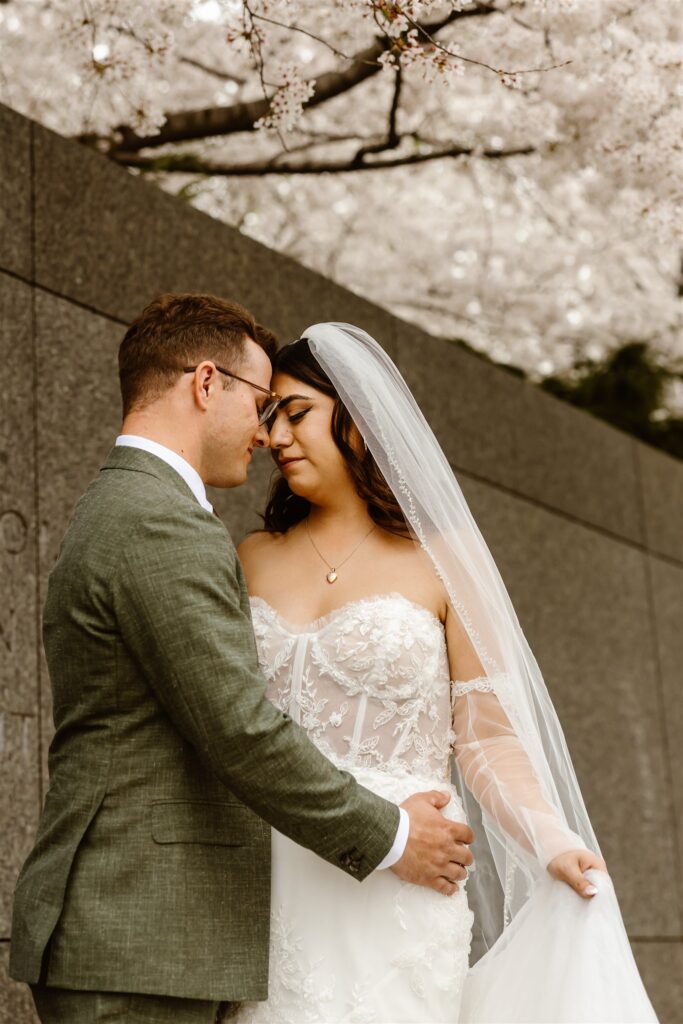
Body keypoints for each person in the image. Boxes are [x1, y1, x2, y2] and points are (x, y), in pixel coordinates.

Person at [9, 295, 473, 1024]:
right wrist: (392, 834)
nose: (265, 435)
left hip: (162, 930)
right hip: (137, 931)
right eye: (262, 404)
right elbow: (239, 729)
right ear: (203, 384)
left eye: (290, 412)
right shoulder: (160, 524)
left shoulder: (132, 508)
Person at [234, 323, 659, 1023]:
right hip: (270, 879)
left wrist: (551, 841)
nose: (275, 438)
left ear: (360, 419)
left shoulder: (443, 558)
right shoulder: (250, 556)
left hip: (403, 892)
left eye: (297, 413)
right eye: (267, 419)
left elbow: (486, 740)